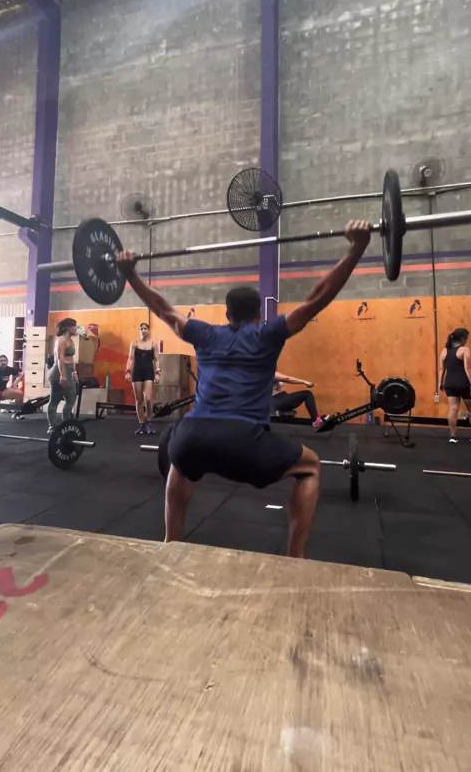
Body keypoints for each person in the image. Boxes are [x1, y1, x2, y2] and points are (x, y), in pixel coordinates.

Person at [116, 219, 371, 558]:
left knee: (180, 456)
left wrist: (130, 273)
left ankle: (170, 541)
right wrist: (356, 249)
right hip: (244, 440)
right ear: (258, 313)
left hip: (194, 433)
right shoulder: (268, 334)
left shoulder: (205, 333)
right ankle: (295, 558)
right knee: (310, 466)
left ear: (226, 313)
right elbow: (316, 299)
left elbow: (163, 309)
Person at [125, 322, 161, 435]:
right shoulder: (134, 343)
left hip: (149, 372)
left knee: (148, 399)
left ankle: (149, 422)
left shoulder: (153, 344)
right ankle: (141, 425)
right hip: (137, 372)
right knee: (139, 400)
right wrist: (127, 371)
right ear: (139, 330)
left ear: (148, 330)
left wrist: (158, 372)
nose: (144, 330)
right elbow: (130, 358)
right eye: (141, 329)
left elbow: (156, 359)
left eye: (145, 328)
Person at [47, 318, 79, 433]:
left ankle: (66, 424)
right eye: (74, 326)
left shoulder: (71, 340)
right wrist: (63, 376)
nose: (76, 328)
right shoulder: (61, 340)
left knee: (71, 398)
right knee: (54, 400)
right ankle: (52, 426)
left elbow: (71, 359)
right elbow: (60, 358)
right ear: (67, 327)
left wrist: (74, 373)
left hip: (69, 372)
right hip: (58, 373)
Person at [439, 328, 471, 443]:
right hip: (463, 383)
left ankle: (453, 436)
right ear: (463, 338)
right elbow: (468, 368)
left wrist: (440, 383)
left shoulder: (445, 351)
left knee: (453, 409)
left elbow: (442, 369)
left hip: (450, 383)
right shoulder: (464, 350)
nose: (467, 341)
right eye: (467, 338)